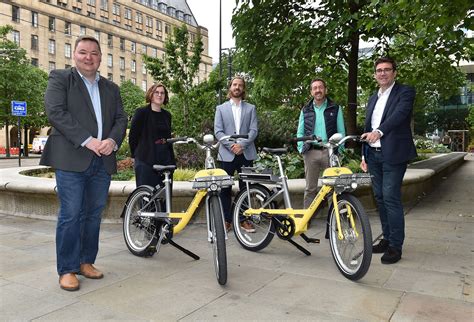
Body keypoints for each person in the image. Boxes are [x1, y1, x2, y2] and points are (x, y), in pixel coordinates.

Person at [40, 36, 128, 291]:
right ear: (74, 55)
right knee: (71, 214)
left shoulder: (112, 88)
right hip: (71, 158)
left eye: (94, 53)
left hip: (103, 160)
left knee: (93, 214)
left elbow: (121, 119)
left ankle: (86, 261)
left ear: (101, 57)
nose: (88, 57)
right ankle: (67, 269)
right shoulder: (60, 78)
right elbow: (55, 112)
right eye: (82, 52)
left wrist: (112, 140)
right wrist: (88, 140)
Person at [360, 57, 417, 264]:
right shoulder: (373, 97)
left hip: (393, 154)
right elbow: (367, 127)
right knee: (380, 197)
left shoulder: (405, 92)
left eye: (386, 70)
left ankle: (395, 246)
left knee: (390, 197)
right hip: (373, 155)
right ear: (375, 75)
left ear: (394, 72)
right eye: (378, 70)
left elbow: (400, 115)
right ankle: (386, 238)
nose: (382, 73)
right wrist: (364, 155)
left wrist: (380, 131)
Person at [214, 76, 258, 232]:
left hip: (246, 153)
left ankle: (243, 219)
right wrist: (231, 145)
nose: (237, 87)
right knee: (224, 188)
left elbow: (253, 130)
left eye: (240, 85)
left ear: (243, 89)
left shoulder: (251, 108)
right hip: (227, 153)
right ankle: (226, 220)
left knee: (246, 187)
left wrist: (242, 145)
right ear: (230, 88)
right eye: (234, 84)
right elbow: (218, 131)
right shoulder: (221, 108)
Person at [296, 78, 345, 209]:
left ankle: (334, 219)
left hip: (330, 152)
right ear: (311, 92)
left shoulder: (335, 108)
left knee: (332, 187)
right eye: (315, 88)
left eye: (320, 87)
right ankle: (307, 220)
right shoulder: (305, 110)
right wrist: (301, 148)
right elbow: (300, 133)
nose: (318, 90)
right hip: (311, 152)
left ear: (325, 90)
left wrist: (339, 151)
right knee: (310, 188)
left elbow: (341, 131)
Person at [129, 83, 175, 189]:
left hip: (165, 161)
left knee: (165, 197)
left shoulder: (167, 115)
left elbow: (167, 138)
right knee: (147, 199)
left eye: (162, 93)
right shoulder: (141, 112)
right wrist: (134, 156)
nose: (160, 95)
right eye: (157, 92)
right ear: (151, 94)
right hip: (146, 160)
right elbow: (133, 136)